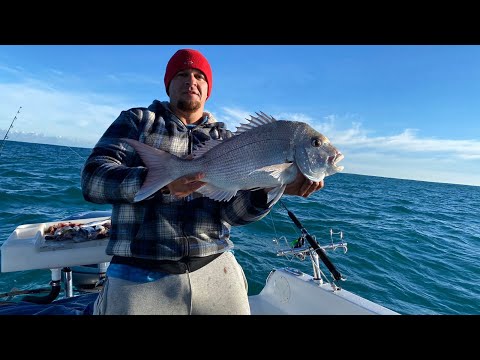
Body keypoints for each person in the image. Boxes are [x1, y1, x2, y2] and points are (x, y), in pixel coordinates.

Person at [81, 48, 325, 315]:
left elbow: (232, 213)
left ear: (208, 89)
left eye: (199, 76)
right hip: (139, 269)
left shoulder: (225, 137)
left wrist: (268, 191)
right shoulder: (139, 121)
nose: (191, 81)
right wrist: (161, 183)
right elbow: (93, 179)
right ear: (168, 84)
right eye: (182, 74)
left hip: (215, 264)